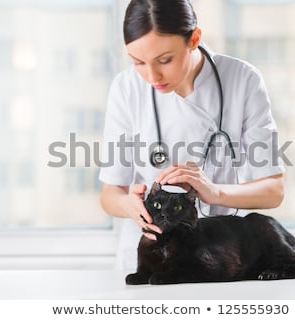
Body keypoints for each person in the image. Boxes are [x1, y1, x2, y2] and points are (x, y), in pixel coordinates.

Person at [99, 0, 285, 271]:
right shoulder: (126, 88)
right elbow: (110, 195)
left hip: (223, 249)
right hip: (153, 253)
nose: (152, 75)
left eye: (165, 60)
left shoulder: (243, 80)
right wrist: (129, 205)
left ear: (194, 39)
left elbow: (273, 191)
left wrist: (216, 192)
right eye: (138, 62)